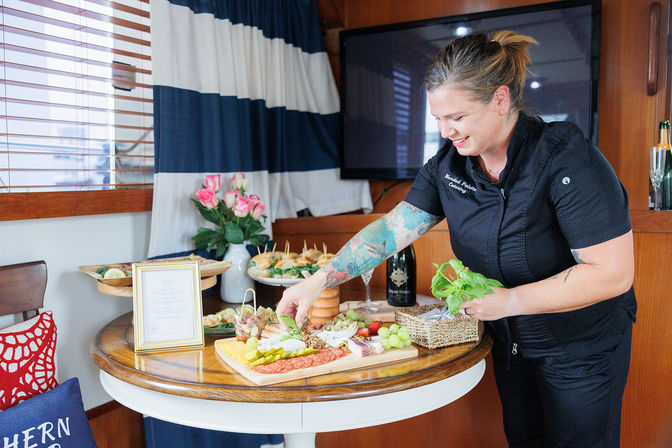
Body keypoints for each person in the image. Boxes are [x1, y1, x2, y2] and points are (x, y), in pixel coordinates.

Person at [277, 30, 636, 448]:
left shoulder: (566, 158)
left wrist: (511, 301)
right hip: (512, 343)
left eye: (458, 117)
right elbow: (391, 230)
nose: (446, 131)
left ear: (500, 100)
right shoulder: (449, 164)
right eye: (437, 119)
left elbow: (612, 273)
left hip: (582, 349)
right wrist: (318, 280)